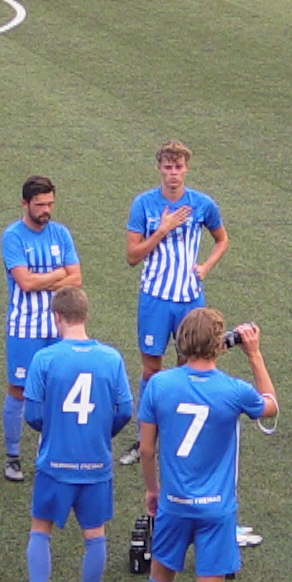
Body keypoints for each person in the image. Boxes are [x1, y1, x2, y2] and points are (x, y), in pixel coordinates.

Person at [135, 308, 276, 582]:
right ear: (220, 344)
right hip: (217, 509)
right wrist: (254, 354)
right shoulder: (233, 390)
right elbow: (270, 405)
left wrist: (153, 490)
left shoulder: (159, 385)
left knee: (160, 580)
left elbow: (146, 449)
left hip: (174, 503)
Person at [14, 288, 133, 582]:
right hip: (97, 465)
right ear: (86, 315)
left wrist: (56, 430)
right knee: (95, 536)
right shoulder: (111, 358)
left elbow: (32, 414)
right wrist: (101, 433)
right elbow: (125, 410)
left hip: (56, 464)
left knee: (41, 531)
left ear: (57, 317)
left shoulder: (45, 359)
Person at [119, 140, 228, 466]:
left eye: (178, 167)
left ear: (186, 168)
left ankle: (179, 434)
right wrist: (162, 230)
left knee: (188, 368)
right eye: (168, 167)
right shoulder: (144, 204)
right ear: (159, 169)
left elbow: (222, 239)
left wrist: (206, 267)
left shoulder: (202, 204)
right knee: (152, 369)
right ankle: (145, 438)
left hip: (189, 301)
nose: (173, 173)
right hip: (155, 299)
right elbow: (132, 256)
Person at [0, 175, 82, 483]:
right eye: (40, 204)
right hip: (25, 326)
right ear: (25, 204)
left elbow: (77, 278)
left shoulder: (61, 233)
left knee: (56, 387)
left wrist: (42, 278)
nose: (46, 210)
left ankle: (48, 451)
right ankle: (12, 456)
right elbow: (25, 282)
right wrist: (58, 274)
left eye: (50, 204)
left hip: (59, 325)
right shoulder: (13, 237)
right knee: (19, 389)